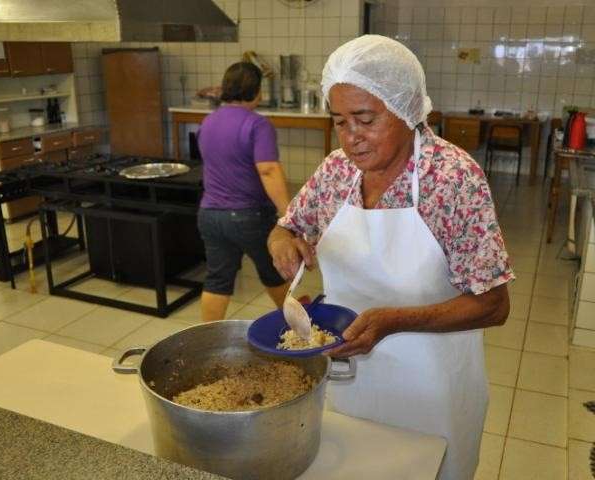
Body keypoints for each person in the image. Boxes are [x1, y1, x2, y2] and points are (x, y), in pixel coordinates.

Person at [267, 35, 513, 480]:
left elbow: (494, 306)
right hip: (347, 382)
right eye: (340, 121)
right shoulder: (336, 171)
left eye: (365, 119)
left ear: (408, 109)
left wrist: (392, 321)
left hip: (430, 390)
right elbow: (288, 226)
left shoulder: (453, 179)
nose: (351, 139)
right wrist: (281, 241)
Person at [197, 62, 290, 322]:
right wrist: (288, 214)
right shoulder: (258, 124)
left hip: (210, 215)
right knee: (276, 273)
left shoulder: (208, 121)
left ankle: (208, 340)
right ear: (256, 90)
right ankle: (302, 333)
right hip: (250, 216)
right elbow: (268, 170)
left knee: (217, 280)